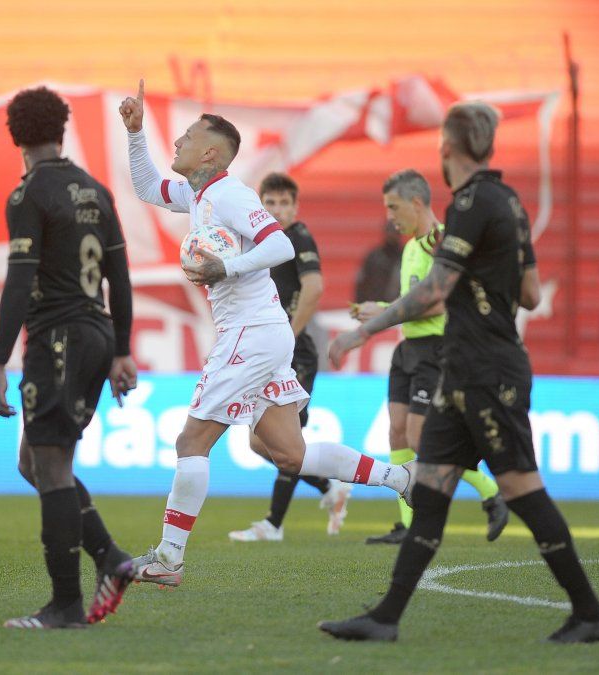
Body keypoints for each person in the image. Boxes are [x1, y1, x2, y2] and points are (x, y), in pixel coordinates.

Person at [321, 101, 599, 643]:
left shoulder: (470, 203)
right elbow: (529, 293)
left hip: (486, 370)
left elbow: (433, 293)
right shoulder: (511, 203)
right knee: (430, 489)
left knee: (523, 489)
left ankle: (591, 614)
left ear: (446, 149)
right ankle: (385, 619)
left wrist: (361, 330)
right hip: (466, 367)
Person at [119, 80, 415, 588]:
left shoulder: (231, 194)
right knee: (290, 454)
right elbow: (147, 187)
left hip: (250, 332)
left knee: (191, 439)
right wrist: (135, 133)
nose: (178, 142)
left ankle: (169, 560)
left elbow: (277, 247)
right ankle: (402, 478)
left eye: (187, 136)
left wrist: (226, 270)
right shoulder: (198, 193)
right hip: (263, 332)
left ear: (210, 151)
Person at [0, 87, 139, 629]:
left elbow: (20, 277)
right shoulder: (95, 189)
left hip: (56, 338)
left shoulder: (28, 194)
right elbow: (119, 276)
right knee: (34, 461)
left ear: (16, 135)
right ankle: (110, 557)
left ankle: (65, 605)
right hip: (96, 334)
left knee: (50, 467)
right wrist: (121, 349)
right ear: (62, 129)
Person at [357, 169, 508, 545]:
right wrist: (384, 308)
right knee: (395, 431)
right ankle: (406, 524)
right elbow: (413, 302)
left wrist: (383, 314)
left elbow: (440, 303)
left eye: (394, 207)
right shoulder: (410, 247)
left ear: (416, 202)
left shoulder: (439, 243)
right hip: (407, 348)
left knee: (422, 438)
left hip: (435, 349)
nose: (390, 216)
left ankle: (490, 491)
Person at [228, 173, 352, 542]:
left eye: (285, 203)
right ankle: (329, 487)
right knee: (258, 442)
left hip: (294, 352)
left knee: (285, 436)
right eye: (271, 203)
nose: (278, 210)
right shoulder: (262, 243)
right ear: (260, 206)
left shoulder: (297, 237)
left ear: (295, 207)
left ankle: (273, 525)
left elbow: (314, 288)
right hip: (271, 350)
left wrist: (289, 335)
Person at [354, 221, 403, 303]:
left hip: (397, 307)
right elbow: (362, 283)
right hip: (375, 306)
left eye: (394, 233)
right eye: (390, 232)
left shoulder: (405, 256)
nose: (392, 236)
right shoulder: (374, 257)